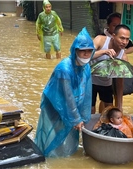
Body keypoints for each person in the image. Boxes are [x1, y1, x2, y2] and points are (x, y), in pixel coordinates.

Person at [34, 27, 95, 157]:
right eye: (83, 51)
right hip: (55, 105)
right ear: (75, 51)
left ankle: (66, 156)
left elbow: (87, 93)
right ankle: (50, 158)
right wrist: (76, 118)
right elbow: (67, 96)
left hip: (72, 106)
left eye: (89, 51)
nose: (86, 54)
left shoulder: (86, 67)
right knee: (56, 133)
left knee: (70, 133)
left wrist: (84, 117)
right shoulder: (64, 69)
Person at [91, 24, 130, 114]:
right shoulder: (100, 40)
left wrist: (119, 105)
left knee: (109, 111)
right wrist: (103, 52)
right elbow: (86, 55)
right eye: (122, 38)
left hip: (106, 83)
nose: (124, 42)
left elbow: (119, 82)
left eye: (127, 39)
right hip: (90, 80)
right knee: (91, 110)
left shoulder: (123, 57)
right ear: (113, 36)